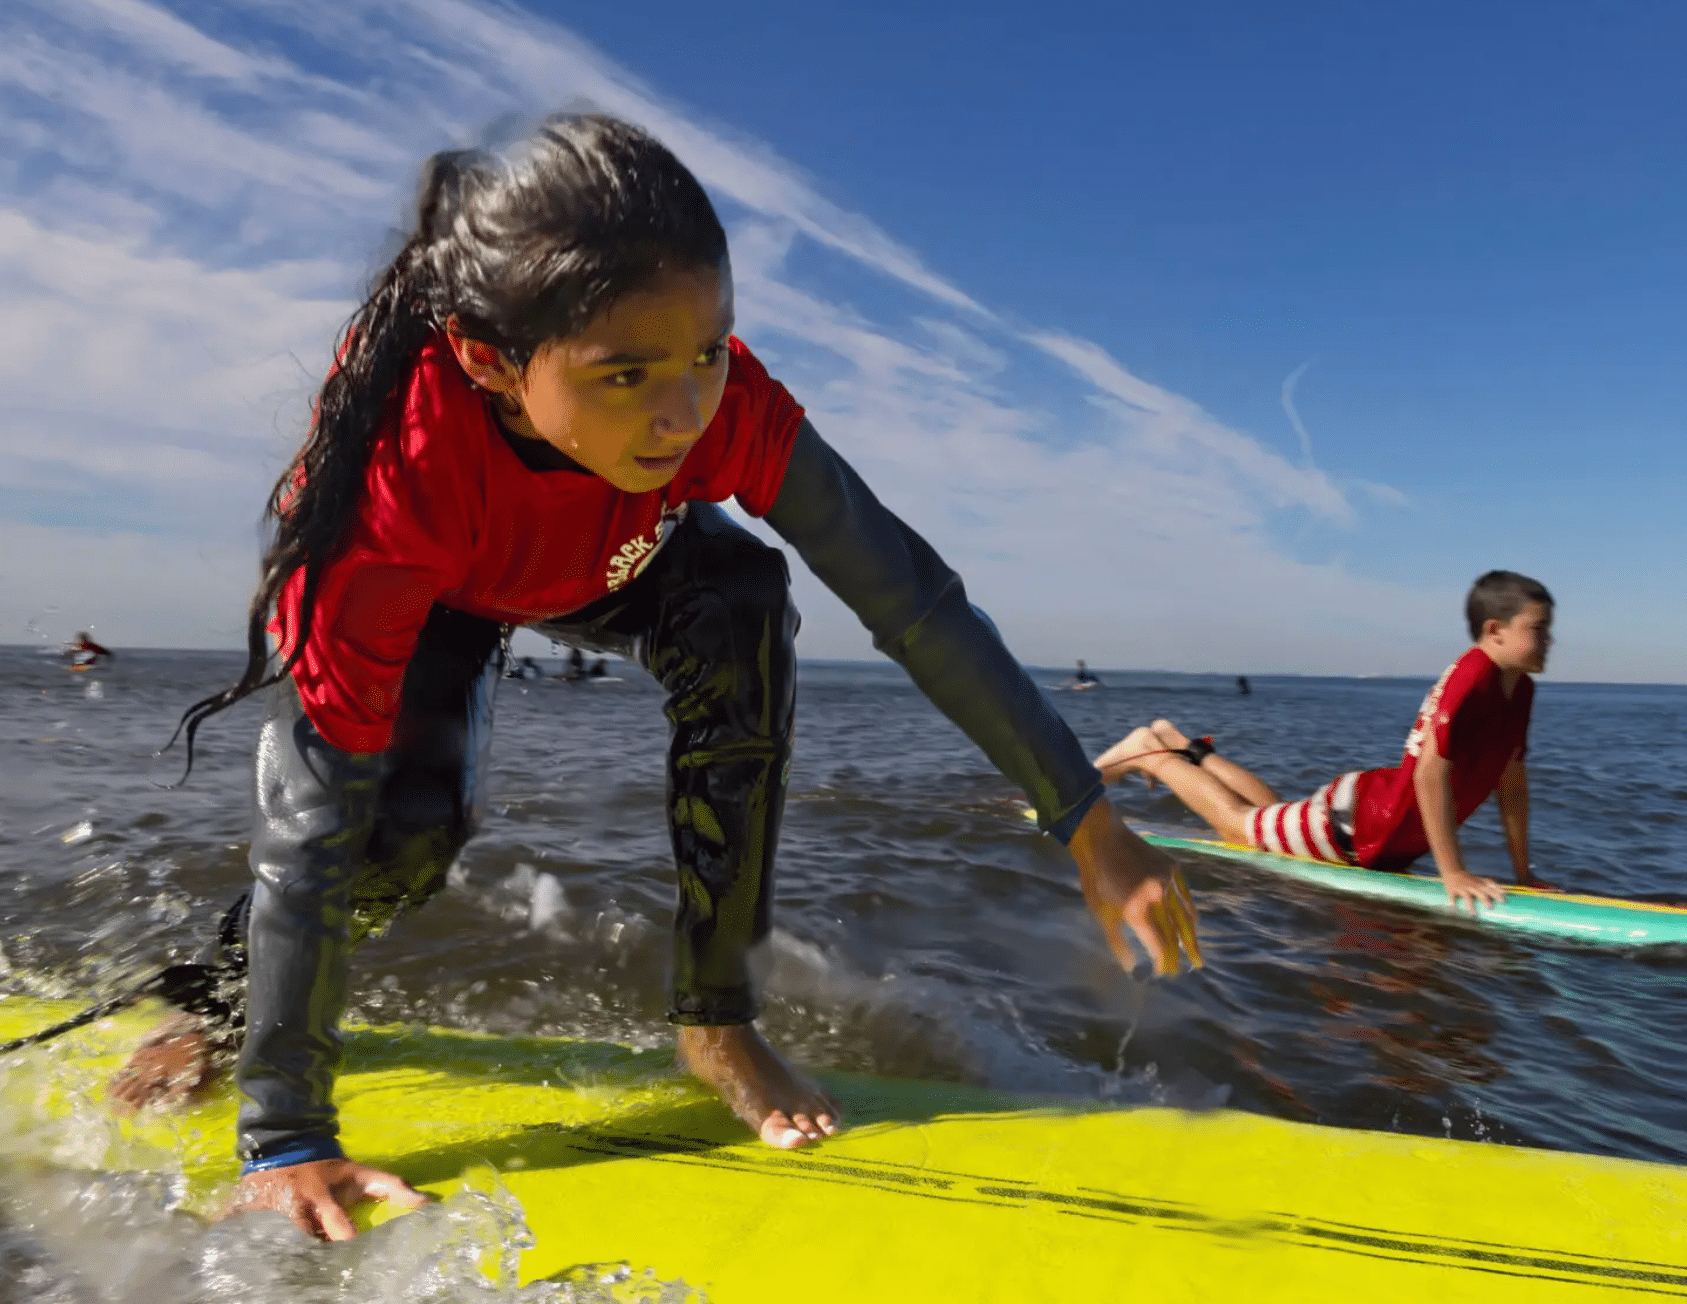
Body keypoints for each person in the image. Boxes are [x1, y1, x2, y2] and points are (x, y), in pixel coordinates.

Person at [105, 115, 1199, 1243]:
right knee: (399, 842)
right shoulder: (388, 503)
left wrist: (1086, 819)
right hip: (440, 584)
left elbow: (911, 601)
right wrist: (287, 1133)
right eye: (625, 374)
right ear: (490, 359)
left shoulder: (713, 404)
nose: (682, 412)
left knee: (741, 603)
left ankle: (716, 1022)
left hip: (600, 556)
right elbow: (313, 821)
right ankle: (211, 1005)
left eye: (708, 352)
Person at [1093, 571, 1554, 911]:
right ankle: (1149, 754)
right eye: (1537, 629)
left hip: (1371, 821)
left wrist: (1522, 873)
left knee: (1268, 816)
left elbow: (1511, 784)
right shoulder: (1473, 674)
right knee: (1238, 825)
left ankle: (1179, 743)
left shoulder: (1520, 691)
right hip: (1358, 828)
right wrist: (1452, 873)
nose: (1549, 640)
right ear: (1495, 630)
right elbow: (1432, 774)